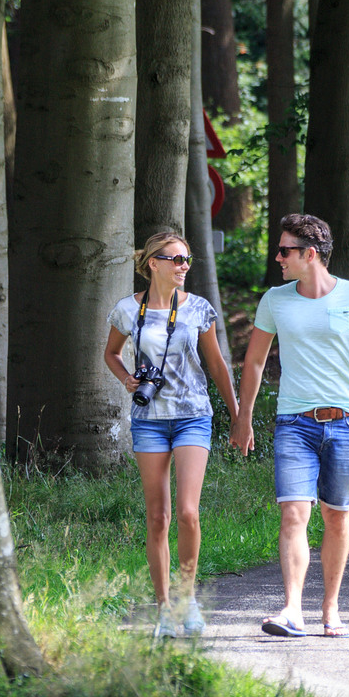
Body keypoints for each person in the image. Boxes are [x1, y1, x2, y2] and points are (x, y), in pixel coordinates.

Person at [229, 213, 349, 637]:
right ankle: (292, 610)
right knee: (294, 514)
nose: (278, 257)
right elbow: (255, 362)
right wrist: (243, 418)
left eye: (285, 250)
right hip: (293, 424)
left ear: (310, 254)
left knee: (336, 517)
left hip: (345, 424)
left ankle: (331, 608)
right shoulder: (275, 300)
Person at [102, 231, 239, 638]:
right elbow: (110, 352)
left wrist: (238, 416)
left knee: (187, 512)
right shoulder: (127, 310)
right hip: (149, 420)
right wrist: (127, 378)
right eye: (175, 259)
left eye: (187, 259)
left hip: (193, 415)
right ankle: (163, 610)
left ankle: (187, 599)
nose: (183, 266)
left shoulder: (198, 309)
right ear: (153, 263)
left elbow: (216, 364)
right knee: (158, 517)